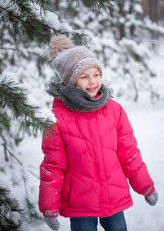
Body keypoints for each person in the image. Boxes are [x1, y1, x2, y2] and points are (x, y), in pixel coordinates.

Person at [39, 36, 158, 231]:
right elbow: (53, 164)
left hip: (113, 196)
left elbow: (129, 152)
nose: (92, 81)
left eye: (96, 74)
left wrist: (145, 185)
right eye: (84, 77)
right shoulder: (57, 117)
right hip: (80, 202)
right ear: (70, 81)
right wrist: (49, 205)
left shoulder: (114, 110)